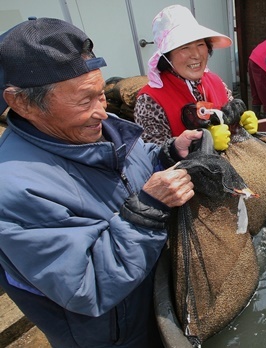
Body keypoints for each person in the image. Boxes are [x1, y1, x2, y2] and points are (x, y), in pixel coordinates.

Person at [0, 17, 205, 347]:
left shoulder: (97, 125)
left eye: (101, 94)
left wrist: (168, 152)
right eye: (85, 100)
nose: (102, 111)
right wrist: (146, 211)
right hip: (115, 335)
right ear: (22, 103)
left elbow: (134, 161)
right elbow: (86, 284)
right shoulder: (14, 189)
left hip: (152, 298)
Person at [135, 5, 234, 146]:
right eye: (184, 47)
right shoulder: (150, 100)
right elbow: (155, 156)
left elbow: (231, 121)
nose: (196, 55)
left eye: (200, 44)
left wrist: (240, 124)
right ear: (167, 56)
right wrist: (203, 144)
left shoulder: (216, 82)